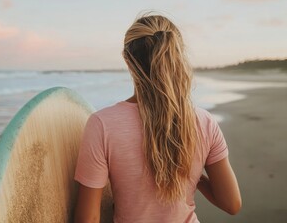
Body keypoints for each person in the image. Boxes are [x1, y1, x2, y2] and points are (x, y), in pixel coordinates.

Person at [74, 14, 241, 223]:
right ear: (177, 55)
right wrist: (192, 174)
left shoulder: (102, 124)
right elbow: (231, 203)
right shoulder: (204, 122)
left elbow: (88, 218)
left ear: (127, 59)